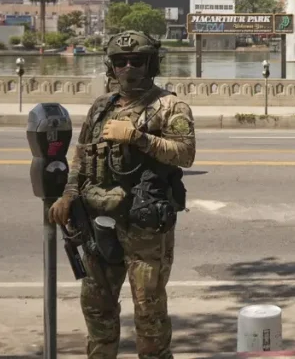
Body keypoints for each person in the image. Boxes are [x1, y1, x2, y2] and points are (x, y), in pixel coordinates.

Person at [48, 30, 195, 359]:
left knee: (149, 311)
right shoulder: (102, 107)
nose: (128, 67)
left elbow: (185, 153)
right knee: (97, 305)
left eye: (137, 60)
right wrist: (68, 195)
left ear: (151, 63)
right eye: (120, 61)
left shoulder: (169, 106)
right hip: (99, 224)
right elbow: (82, 155)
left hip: (144, 228)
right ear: (110, 66)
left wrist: (138, 138)